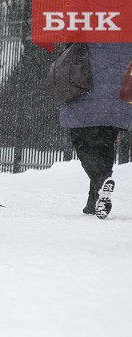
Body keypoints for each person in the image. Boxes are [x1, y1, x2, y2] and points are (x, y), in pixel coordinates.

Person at [60, 42, 132, 219]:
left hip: (86, 98)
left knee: (83, 144)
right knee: (104, 145)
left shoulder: (84, 27)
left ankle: (101, 182)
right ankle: (93, 203)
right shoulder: (126, 32)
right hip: (117, 100)